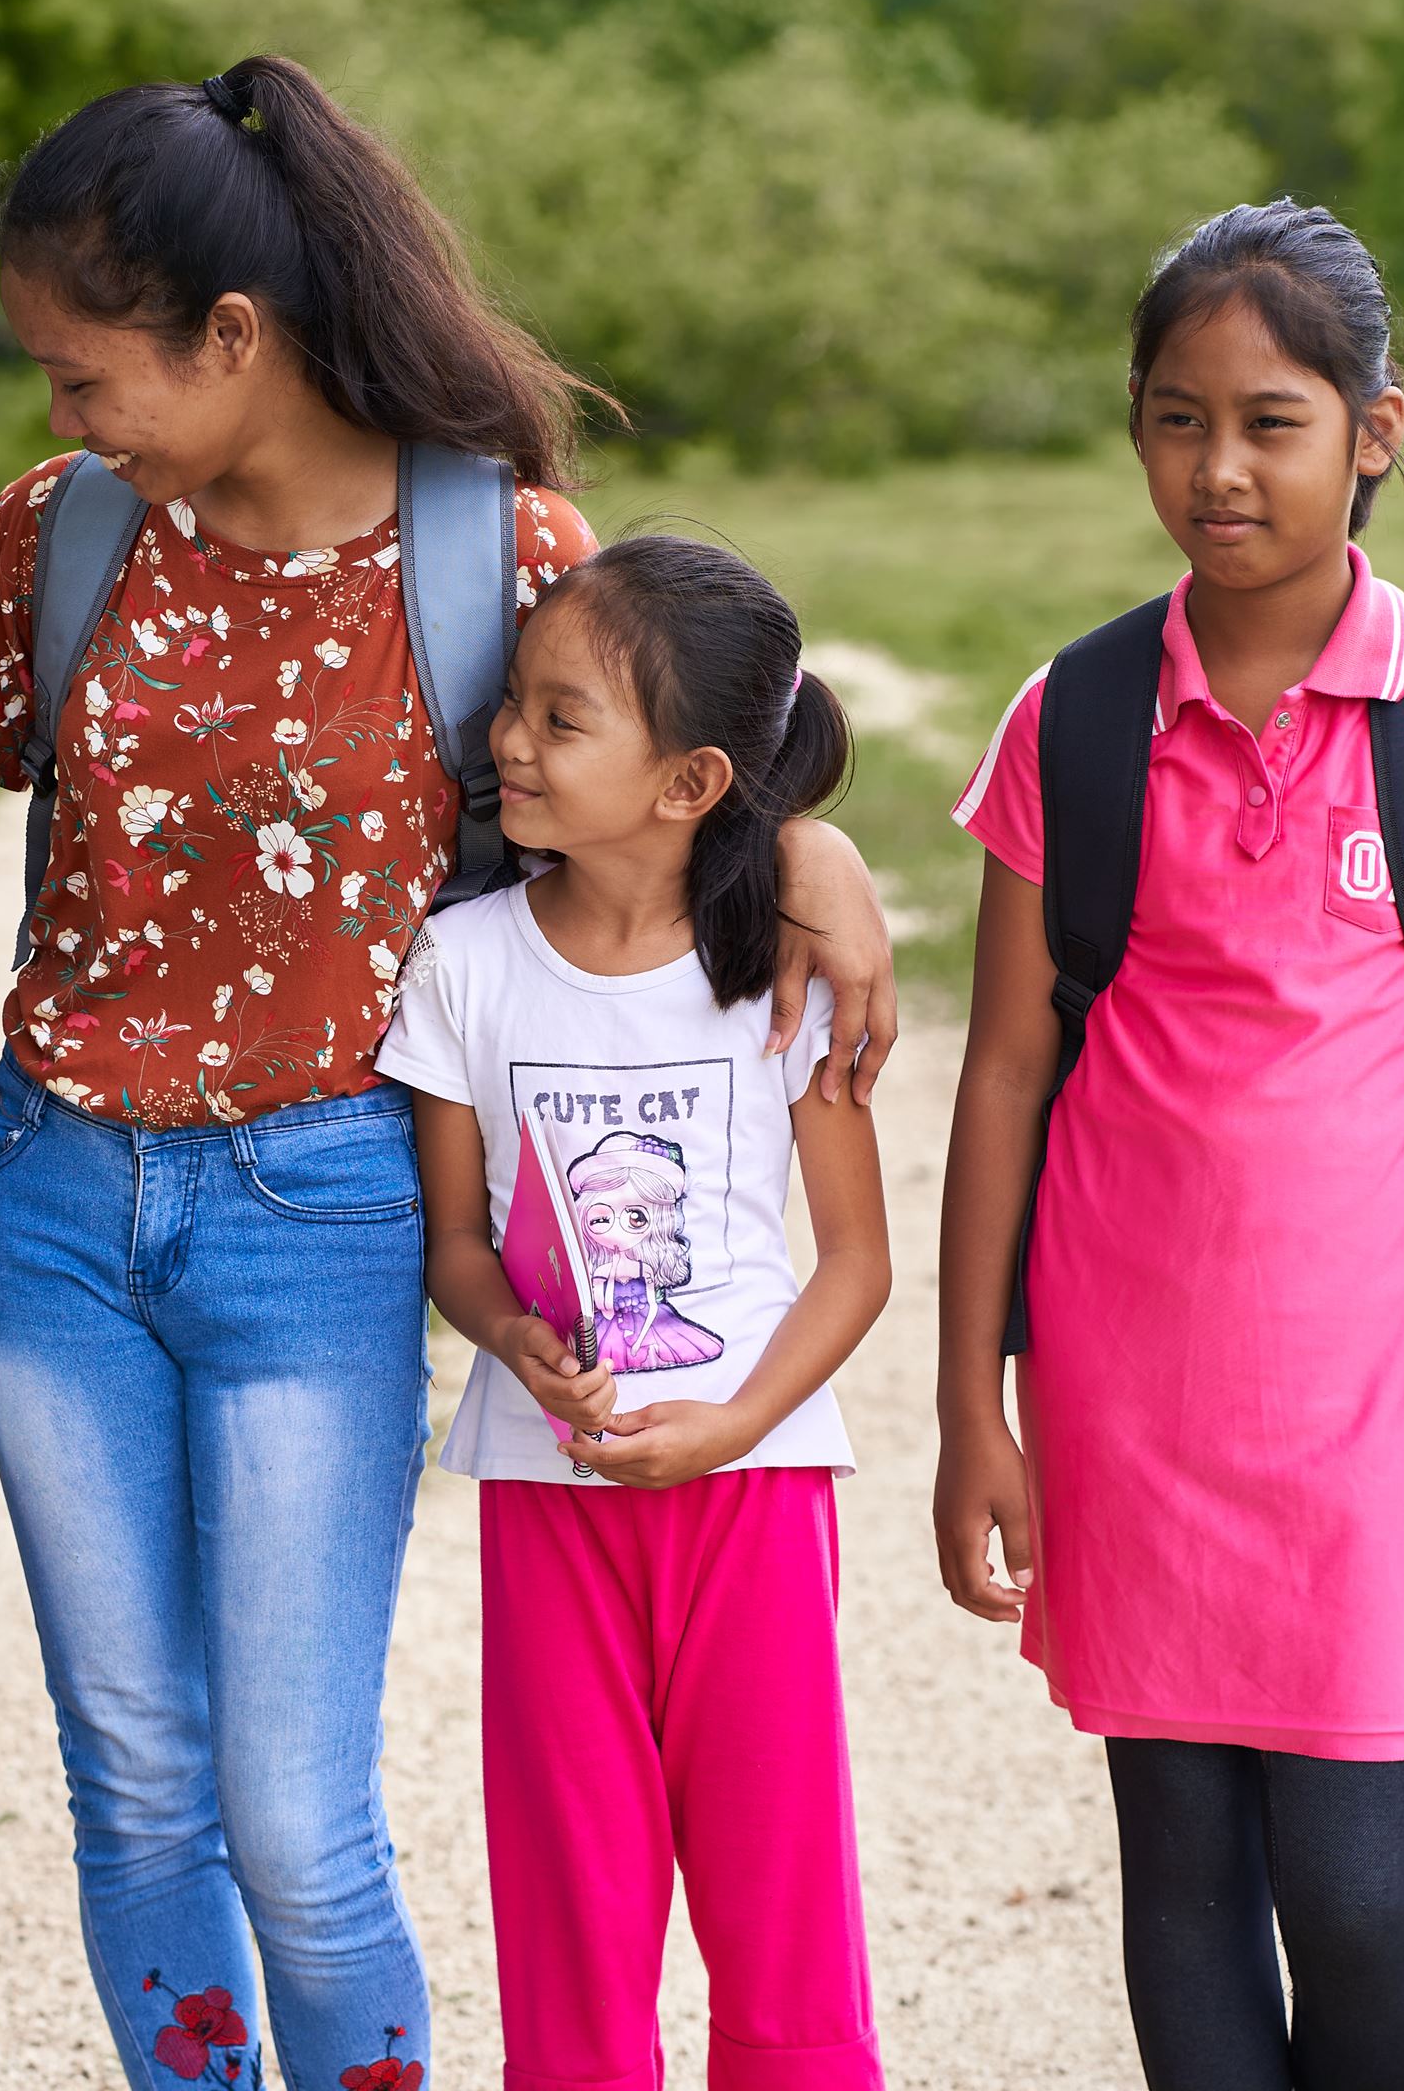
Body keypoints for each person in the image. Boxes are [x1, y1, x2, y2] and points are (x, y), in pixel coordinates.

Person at [0, 55, 900, 2088]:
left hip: (327, 1212)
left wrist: (821, 848)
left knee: (297, 1818)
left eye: (84, 374)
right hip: (50, 1211)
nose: (60, 418)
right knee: (137, 1784)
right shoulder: (60, 536)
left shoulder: (491, 547)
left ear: (232, 336)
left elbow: (688, 751)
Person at [933, 201, 1404, 2091]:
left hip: (1371, 1429)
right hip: (1126, 1409)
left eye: (1271, 420)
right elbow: (1001, 1079)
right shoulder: (1072, 722)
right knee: (1186, 1891)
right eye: (1173, 417)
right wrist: (977, 1411)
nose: (1216, 468)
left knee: (1361, 1896)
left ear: (1376, 430)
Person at [380, 536, 894, 2089]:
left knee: (778, 1895)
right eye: (513, 705)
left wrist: (741, 1421)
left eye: (560, 717)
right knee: (571, 1898)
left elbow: (858, 1259)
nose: (508, 745)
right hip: (553, 1487)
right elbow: (457, 1244)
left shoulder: (775, 974)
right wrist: (505, 1333)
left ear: (690, 782)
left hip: (751, 1487)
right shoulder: (462, 965)